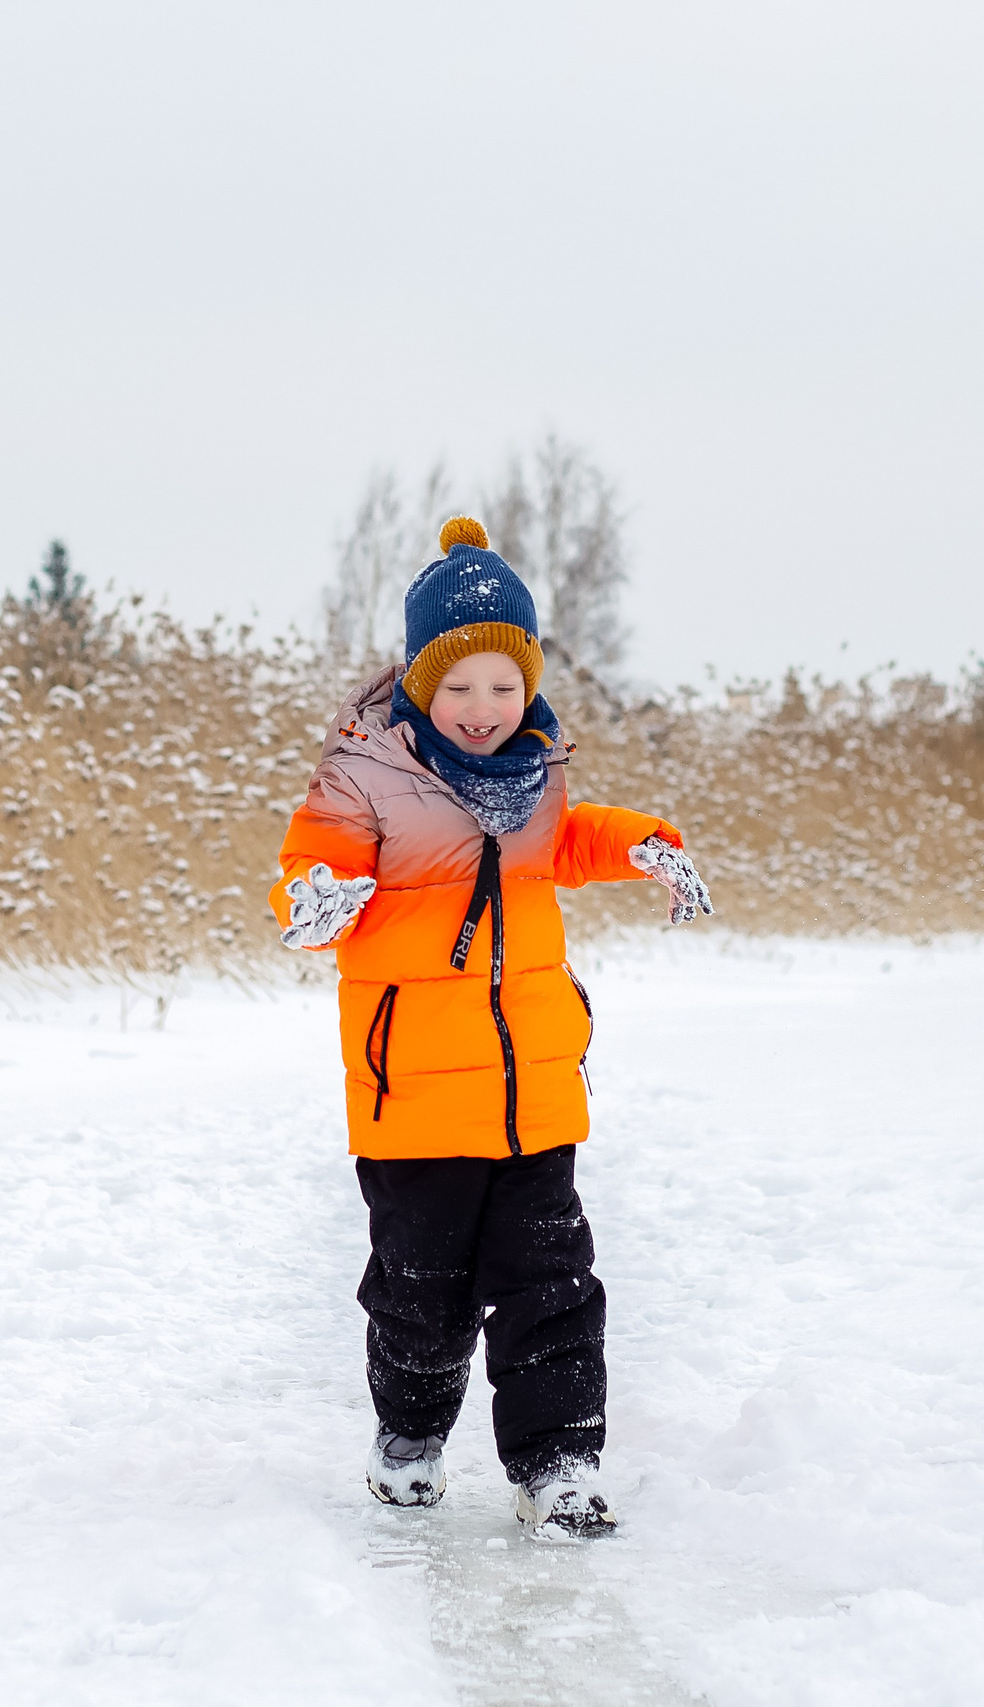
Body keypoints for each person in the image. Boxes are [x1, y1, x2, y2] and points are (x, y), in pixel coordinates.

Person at [270, 515, 713, 1541]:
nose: (482, 709)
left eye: (503, 687)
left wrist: (648, 845)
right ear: (422, 682)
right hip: (415, 1102)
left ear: (529, 685)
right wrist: (317, 898)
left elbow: (577, 836)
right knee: (420, 1299)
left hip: (532, 1096)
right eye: (460, 686)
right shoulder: (362, 776)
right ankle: (410, 1441)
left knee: (551, 1286)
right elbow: (312, 862)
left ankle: (557, 1465)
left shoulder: (537, 775)